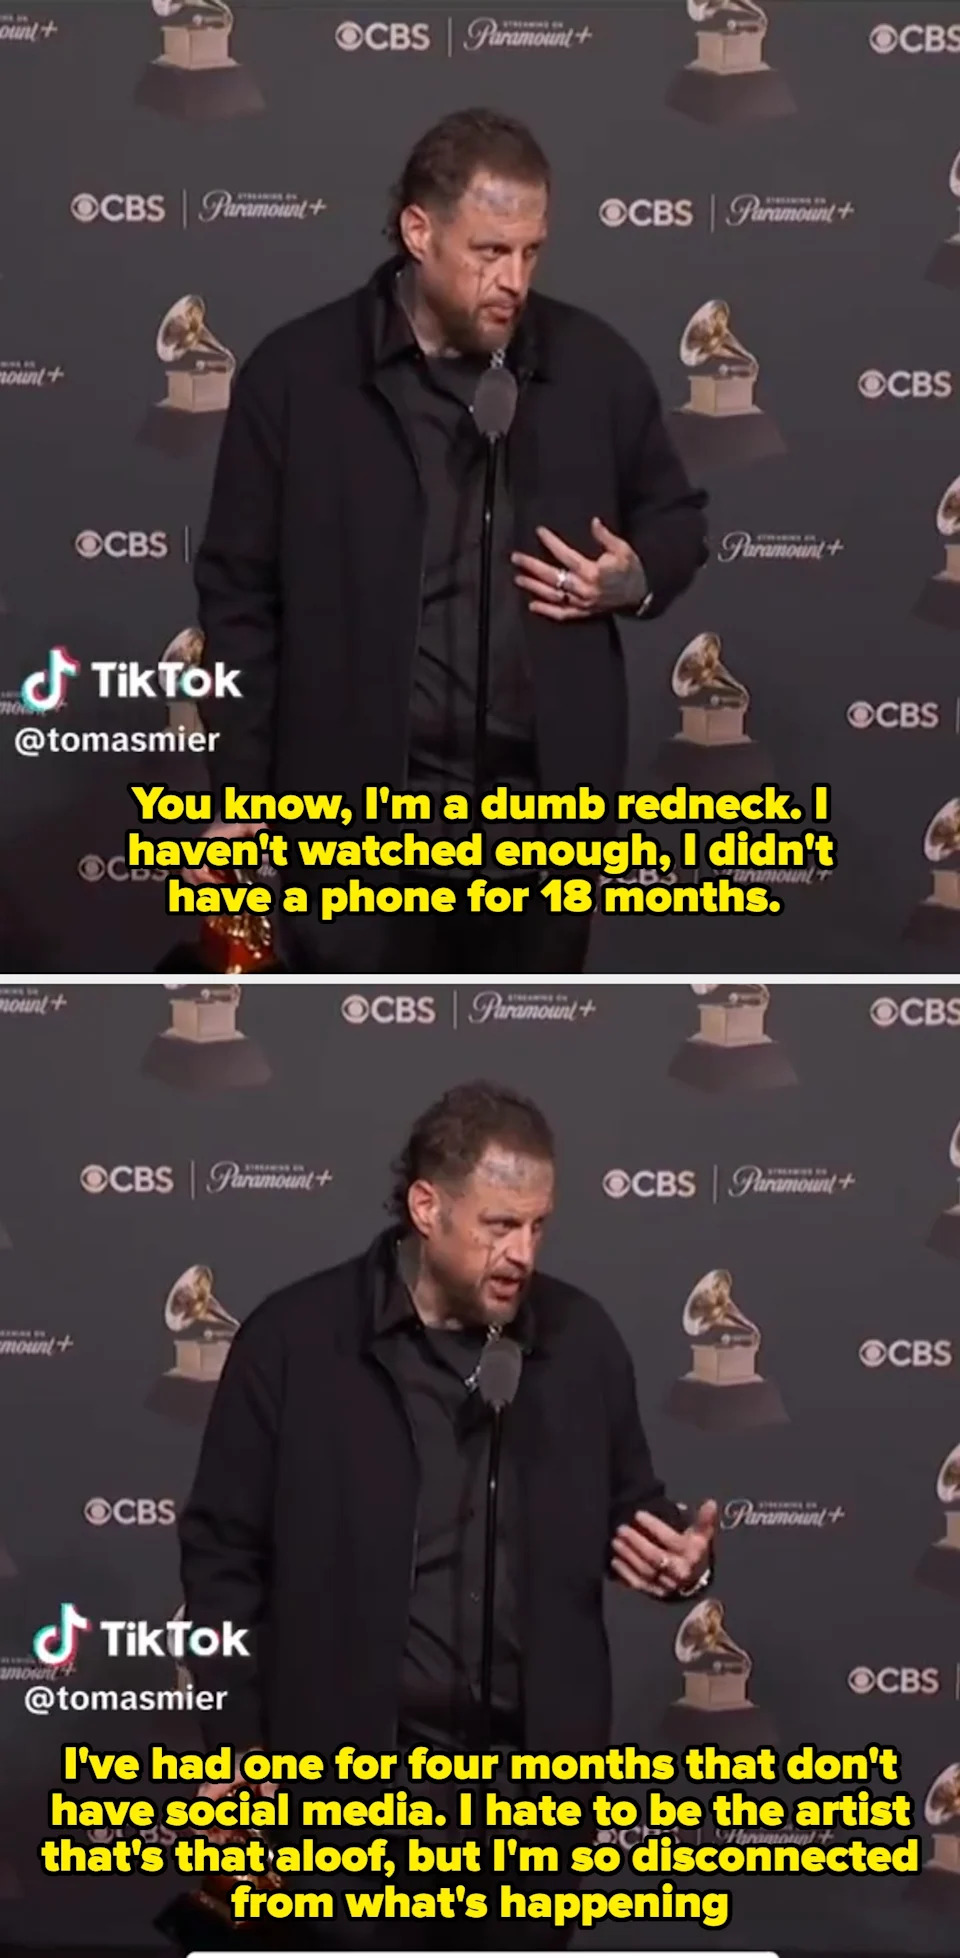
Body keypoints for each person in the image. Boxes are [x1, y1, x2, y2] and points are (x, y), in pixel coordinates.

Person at [177, 1081, 718, 1949]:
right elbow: (222, 1560)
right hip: (342, 1797)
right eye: (499, 1225)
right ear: (426, 1207)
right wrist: (237, 1757)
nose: (522, 1253)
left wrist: (682, 1564)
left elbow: (636, 1510)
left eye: (539, 1225)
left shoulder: (582, 1341)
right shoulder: (294, 1340)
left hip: (529, 1807)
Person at [187, 108, 709, 974]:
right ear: (418, 231)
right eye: (489, 251)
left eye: (531, 252)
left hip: (543, 829)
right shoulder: (297, 375)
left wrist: (636, 575)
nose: (513, 280)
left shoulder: (595, 367)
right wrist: (241, 799)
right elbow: (238, 597)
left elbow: (677, 518)